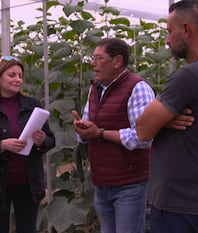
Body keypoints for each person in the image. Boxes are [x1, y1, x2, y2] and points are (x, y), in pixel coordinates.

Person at [135, 0, 198, 232]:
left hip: (179, 208)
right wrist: (167, 121)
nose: (168, 39)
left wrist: (160, 121)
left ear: (187, 29)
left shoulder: (190, 75)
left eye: (170, 31)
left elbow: (142, 130)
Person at [71, 38, 155, 233]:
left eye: (99, 58)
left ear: (117, 61)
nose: (93, 63)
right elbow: (89, 125)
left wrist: (99, 133)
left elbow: (143, 137)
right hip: (102, 182)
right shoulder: (95, 88)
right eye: (93, 58)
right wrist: (83, 130)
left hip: (129, 184)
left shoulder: (138, 88)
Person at [0, 56, 55, 233]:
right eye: (12, 75)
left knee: (28, 229)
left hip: (28, 184)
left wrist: (41, 141)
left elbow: (50, 141)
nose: (18, 80)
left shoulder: (33, 106)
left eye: (20, 76)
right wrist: (1, 145)